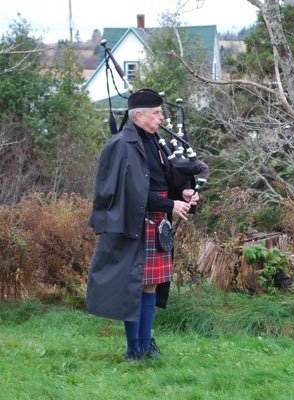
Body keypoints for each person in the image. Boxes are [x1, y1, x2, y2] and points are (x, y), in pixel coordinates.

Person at [86, 88, 199, 362]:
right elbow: (126, 191)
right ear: (138, 115)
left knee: (151, 284)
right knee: (133, 285)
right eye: (156, 113)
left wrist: (181, 193)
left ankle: (146, 345)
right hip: (133, 221)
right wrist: (169, 205)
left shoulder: (155, 142)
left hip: (155, 217)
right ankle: (133, 349)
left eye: (161, 112)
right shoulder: (120, 145)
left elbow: (162, 181)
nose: (161, 117)